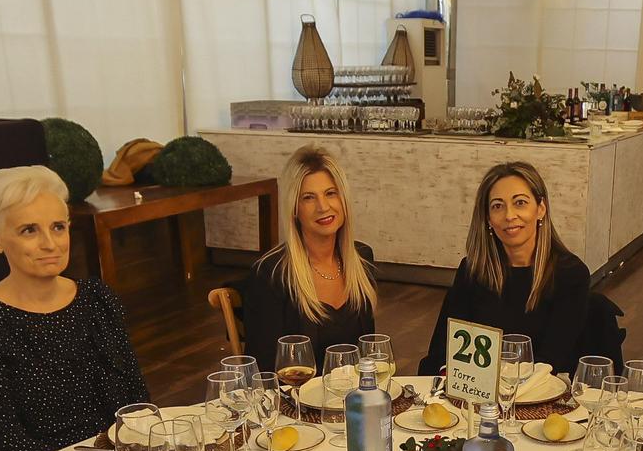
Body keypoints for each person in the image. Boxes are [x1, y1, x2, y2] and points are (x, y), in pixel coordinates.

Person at [0, 166, 151, 451]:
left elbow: (135, 403)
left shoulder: (96, 299)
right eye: (29, 230)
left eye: (58, 227)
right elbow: (7, 442)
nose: (50, 244)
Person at [420, 161, 593, 375]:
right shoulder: (472, 271)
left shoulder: (570, 274)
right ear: (488, 219)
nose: (509, 216)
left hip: (541, 393)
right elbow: (444, 350)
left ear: (540, 209)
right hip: (478, 396)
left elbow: (552, 362)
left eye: (520, 203)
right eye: (497, 206)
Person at [237, 146, 377, 374]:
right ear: (294, 209)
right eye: (309, 198)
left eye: (331, 193)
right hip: (296, 404)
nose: (323, 207)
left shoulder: (362, 259)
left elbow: (369, 353)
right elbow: (263, 373)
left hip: (353, 400)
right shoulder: (271, 274)